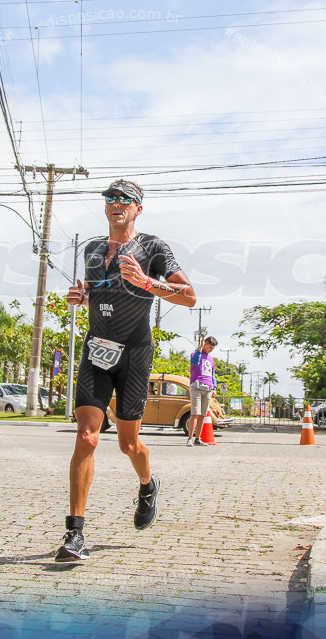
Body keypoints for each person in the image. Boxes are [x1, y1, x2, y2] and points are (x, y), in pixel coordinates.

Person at [55, 179, 196, 563]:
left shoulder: (154, 247)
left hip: (134, 356)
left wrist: (148, 282)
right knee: (87, 435)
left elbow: (190, 296)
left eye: (125, 199)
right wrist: (81, 297)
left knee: (128, 444)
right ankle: (75, 534)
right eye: (110, 198)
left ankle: (148, 485)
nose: (116, 203)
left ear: (138, 208)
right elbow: (95, 293)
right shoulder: (92, 249)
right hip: (96, 351)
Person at [187, 336, 218, 446]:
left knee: (202, 415)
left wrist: (214, 387)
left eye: (212, 348)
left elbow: (213, 374)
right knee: (195, 413)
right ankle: (190, 438)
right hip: (197, 386)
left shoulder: (211, 359)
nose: (210, 349)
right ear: (204, 343)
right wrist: (199, 348)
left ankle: (198, 438)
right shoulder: (195, 354)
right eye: (209, 347)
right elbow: (194, 362)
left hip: (208, 388)